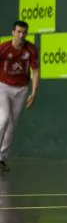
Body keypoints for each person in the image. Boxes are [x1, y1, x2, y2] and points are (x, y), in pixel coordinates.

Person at [0, 21, 39, 172]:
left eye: (24, 32)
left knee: (12, 125)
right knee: (3, 118)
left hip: (21, 89)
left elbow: (35, 72)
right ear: (12, 32)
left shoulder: (31, 49)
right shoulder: (3, 48)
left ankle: (2, 157)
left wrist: (34, 93)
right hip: (3, 87)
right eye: (19, 32)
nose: (21, 35)